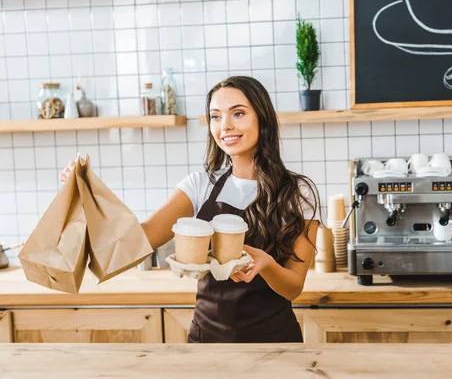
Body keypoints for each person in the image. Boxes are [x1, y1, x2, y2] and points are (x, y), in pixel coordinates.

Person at [60, 76, 320, 343]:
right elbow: (141, 239)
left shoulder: (298, 193)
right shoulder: (199, 186)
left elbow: (293, 287)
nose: (225, 126)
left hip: (274, 343)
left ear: (262, 118)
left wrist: (266, 265)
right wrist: (89, 194)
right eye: (215, 117)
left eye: (238, 113)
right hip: (207, 341)